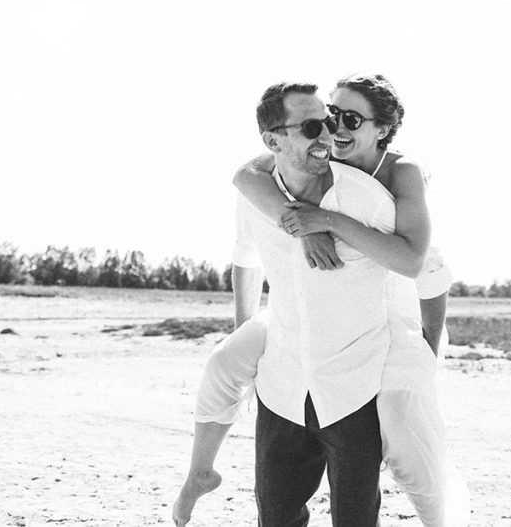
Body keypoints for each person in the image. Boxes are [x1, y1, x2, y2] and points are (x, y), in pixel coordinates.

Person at [173, 76, 468, 526]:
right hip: (293, 345)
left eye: (349, 120)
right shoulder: (270, 182)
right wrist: (299, 225)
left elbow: (423, 266)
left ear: (382, 130)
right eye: (328, 118)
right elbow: (245, 184)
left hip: (387, 322)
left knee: (411, 447)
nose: (334, 130)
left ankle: (441, 519)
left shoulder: (395, 181)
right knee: (224, 363)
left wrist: (431, 343)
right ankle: (199, 471)